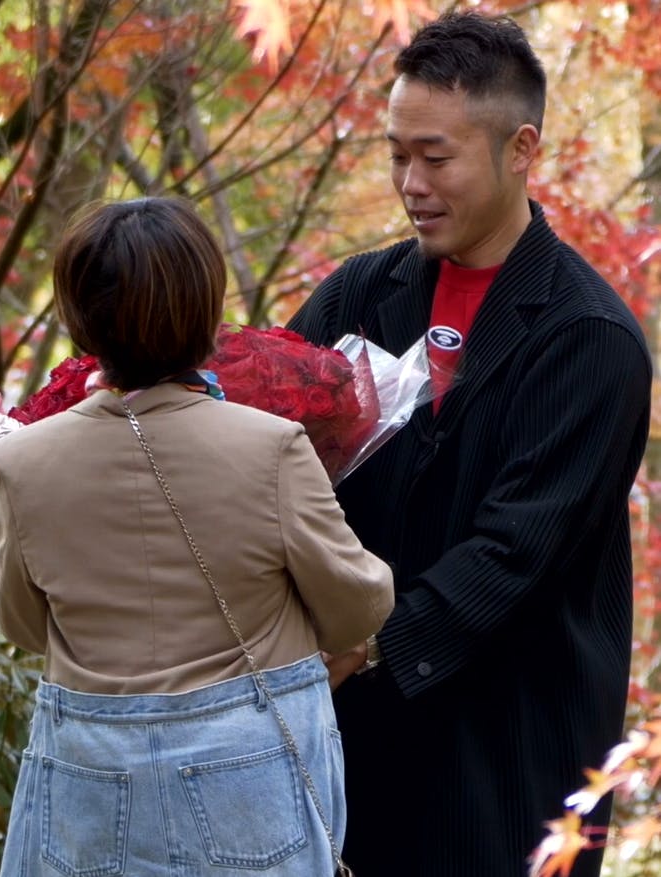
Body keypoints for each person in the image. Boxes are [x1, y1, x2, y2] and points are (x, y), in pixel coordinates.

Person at [287, 10, 652, 877]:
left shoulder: (588, 338)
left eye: (435, 157)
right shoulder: (359, 295)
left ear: (521, 149)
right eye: (396, 155)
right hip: (353, 751)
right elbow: (261, 444)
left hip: (505, 757)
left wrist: (366, 645)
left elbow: (514, 552)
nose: (410, 183)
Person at [0, 196, 394, 876]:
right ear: (206, 309)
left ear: (78, 315)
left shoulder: (19, 460)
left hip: (89, 769)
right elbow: (356, 606)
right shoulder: (269, 446)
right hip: (246, 769)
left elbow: (25, 623)